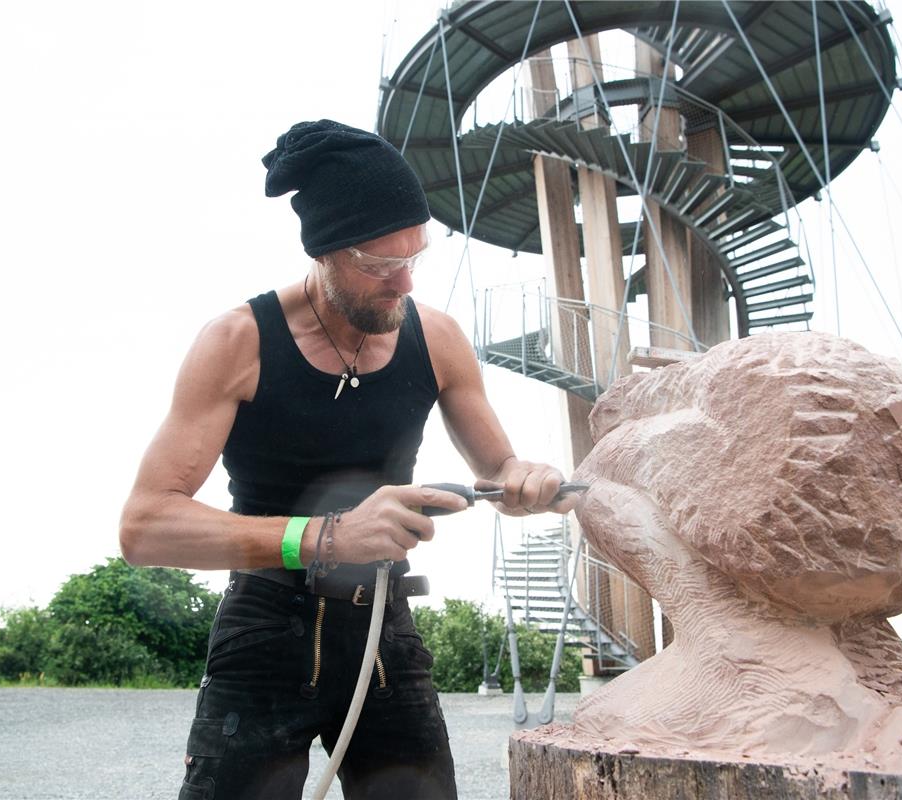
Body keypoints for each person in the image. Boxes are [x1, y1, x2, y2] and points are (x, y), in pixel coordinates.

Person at [119, 119, 576, 800]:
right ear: (325, 253)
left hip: (384, 627)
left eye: (416, 258)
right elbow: (145, 528)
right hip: (265, 627)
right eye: (380, 267)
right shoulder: (236, 342)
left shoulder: (439, 338)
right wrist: (327, 537)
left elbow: (500, 471)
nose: (404, 284)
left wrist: (524, 479)